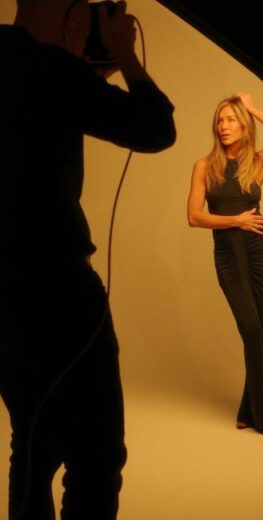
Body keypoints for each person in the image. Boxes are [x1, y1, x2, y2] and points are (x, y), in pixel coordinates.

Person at [0, 0, 176, 517]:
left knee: (31, 442)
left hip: (2, 301)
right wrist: (124, 53)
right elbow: (156, 128)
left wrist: (85, 81)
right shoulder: (51, 71)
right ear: (75, 18)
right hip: (57, 295)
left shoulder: (18, 66)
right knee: (96, 458)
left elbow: (31, 132)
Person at [187, 93, 263, 441]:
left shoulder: (257, 163)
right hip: (228, 257)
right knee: (251, 329)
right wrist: (236, 220)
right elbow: (194, 217)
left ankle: (251, 409)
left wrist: (252, 108)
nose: (224, 126)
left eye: (231, 119)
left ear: (245, 126)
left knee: (258, 330)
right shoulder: (204, 166)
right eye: (220, 120)